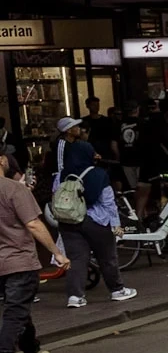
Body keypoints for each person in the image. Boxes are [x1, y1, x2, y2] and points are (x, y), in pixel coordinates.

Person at [51, 119, 136, 308]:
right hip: (96, 221)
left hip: (69, 220)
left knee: (76, 259)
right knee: (107, 257)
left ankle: (75, 296)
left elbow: (56, 193)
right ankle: (117, 290)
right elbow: (108, 203)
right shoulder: (98, 175)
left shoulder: (63, 173)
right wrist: (116, 225)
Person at [1, 151, 67, 353]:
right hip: (18, 259)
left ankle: (33, 351)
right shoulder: (14, 190)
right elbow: (33, 224)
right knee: (15, 311)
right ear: (1, 160)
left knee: (19, 308)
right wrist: (57, 253)